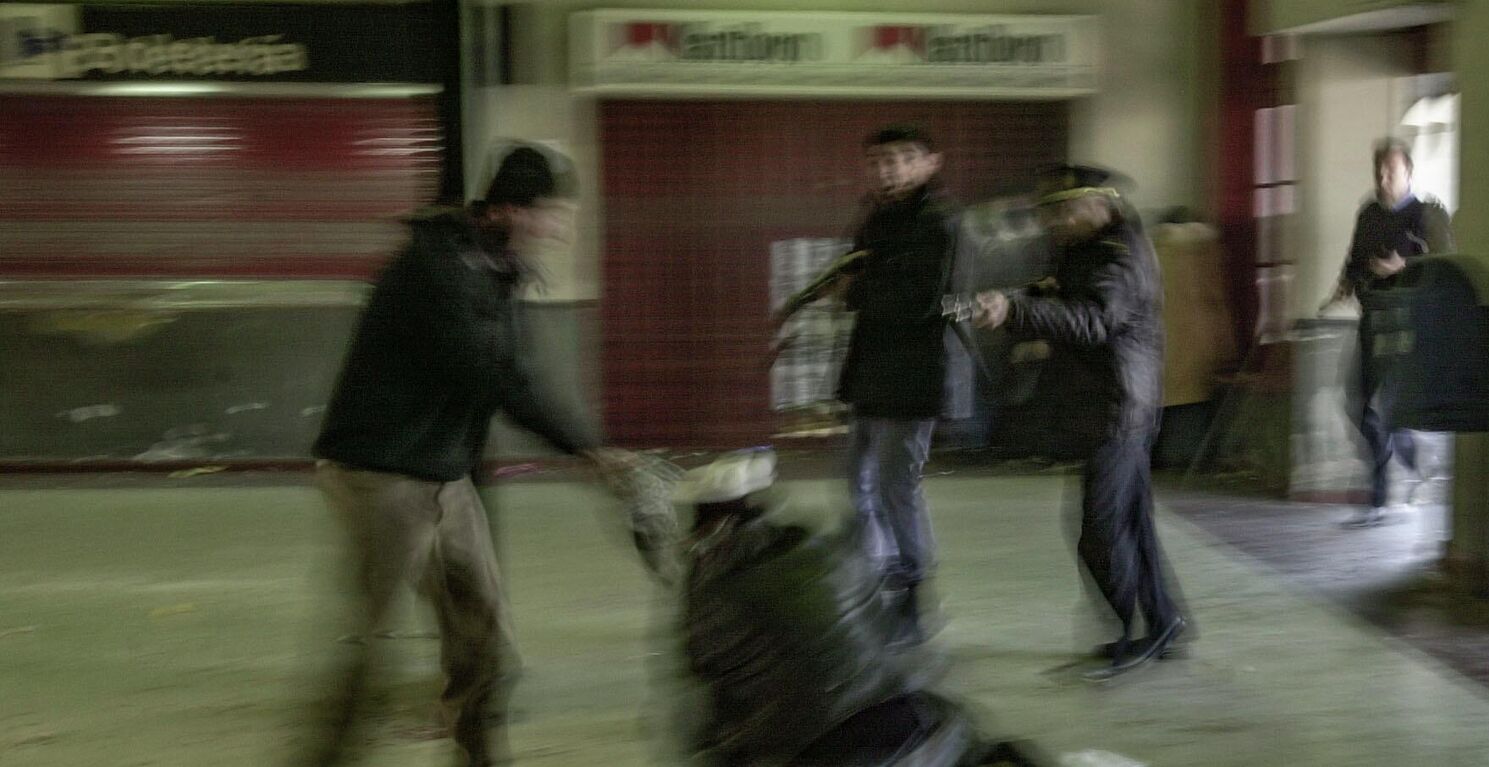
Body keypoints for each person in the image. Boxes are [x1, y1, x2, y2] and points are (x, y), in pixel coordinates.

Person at [294, 143, 635, 766]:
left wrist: (589, 450)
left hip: (443, 476)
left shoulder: (494, 266)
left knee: (485, 643)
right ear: (510, 209)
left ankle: (479, 755)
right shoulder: (438, 270)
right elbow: (498, 378)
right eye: (552, 214)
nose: (560, 231)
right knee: (371, 650)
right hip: (379, 472)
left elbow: (510, 371)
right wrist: (589, 451)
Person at [677, 449, 1051, 767]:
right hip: (929, 728)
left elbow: (713, 726)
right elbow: (893, 646)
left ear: (704, 529)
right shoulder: (830, 551)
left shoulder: (716, 597)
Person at [970, 165, 1187, 681]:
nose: (1053, 222)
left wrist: (1017, 313)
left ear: (1100, 204)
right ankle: (1162, 622)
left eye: (1062, 210)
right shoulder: (1088, 248)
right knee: (1131, 526)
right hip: (1111, 403)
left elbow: (1092, 320)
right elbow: (1065, 294)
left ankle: (1135, 630)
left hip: (1118, 408)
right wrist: (1023, 298)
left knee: (1101, 530)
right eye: (1047, 213)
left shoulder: (1120, 255)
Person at [834, 125, 972, 646]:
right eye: (878, 160)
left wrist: (857, 287)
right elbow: (862, 284)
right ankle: (878, 581)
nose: (888, 169)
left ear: (930, 163)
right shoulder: (877, 218)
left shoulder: (941, 221)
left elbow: (920, 298)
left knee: (896, 486)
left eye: (902, 158)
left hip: (916, 371)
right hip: (872, 369)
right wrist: (857, 286)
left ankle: (914, 598)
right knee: (858, 483)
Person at [1321, 138, 1455, 530]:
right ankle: (1410, 461)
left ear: (1408, 172)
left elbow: (1446, 265)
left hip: (1408, 327)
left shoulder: (1425, 215)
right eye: (1378, 171)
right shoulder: (1368, 213)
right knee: (1357, 405)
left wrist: (1404, 266)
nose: (1382, 179)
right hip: (1372, 321)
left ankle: (1382, 495)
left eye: (1390, 172)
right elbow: (1354, 259)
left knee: (1386, 411)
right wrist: (1340, 291)